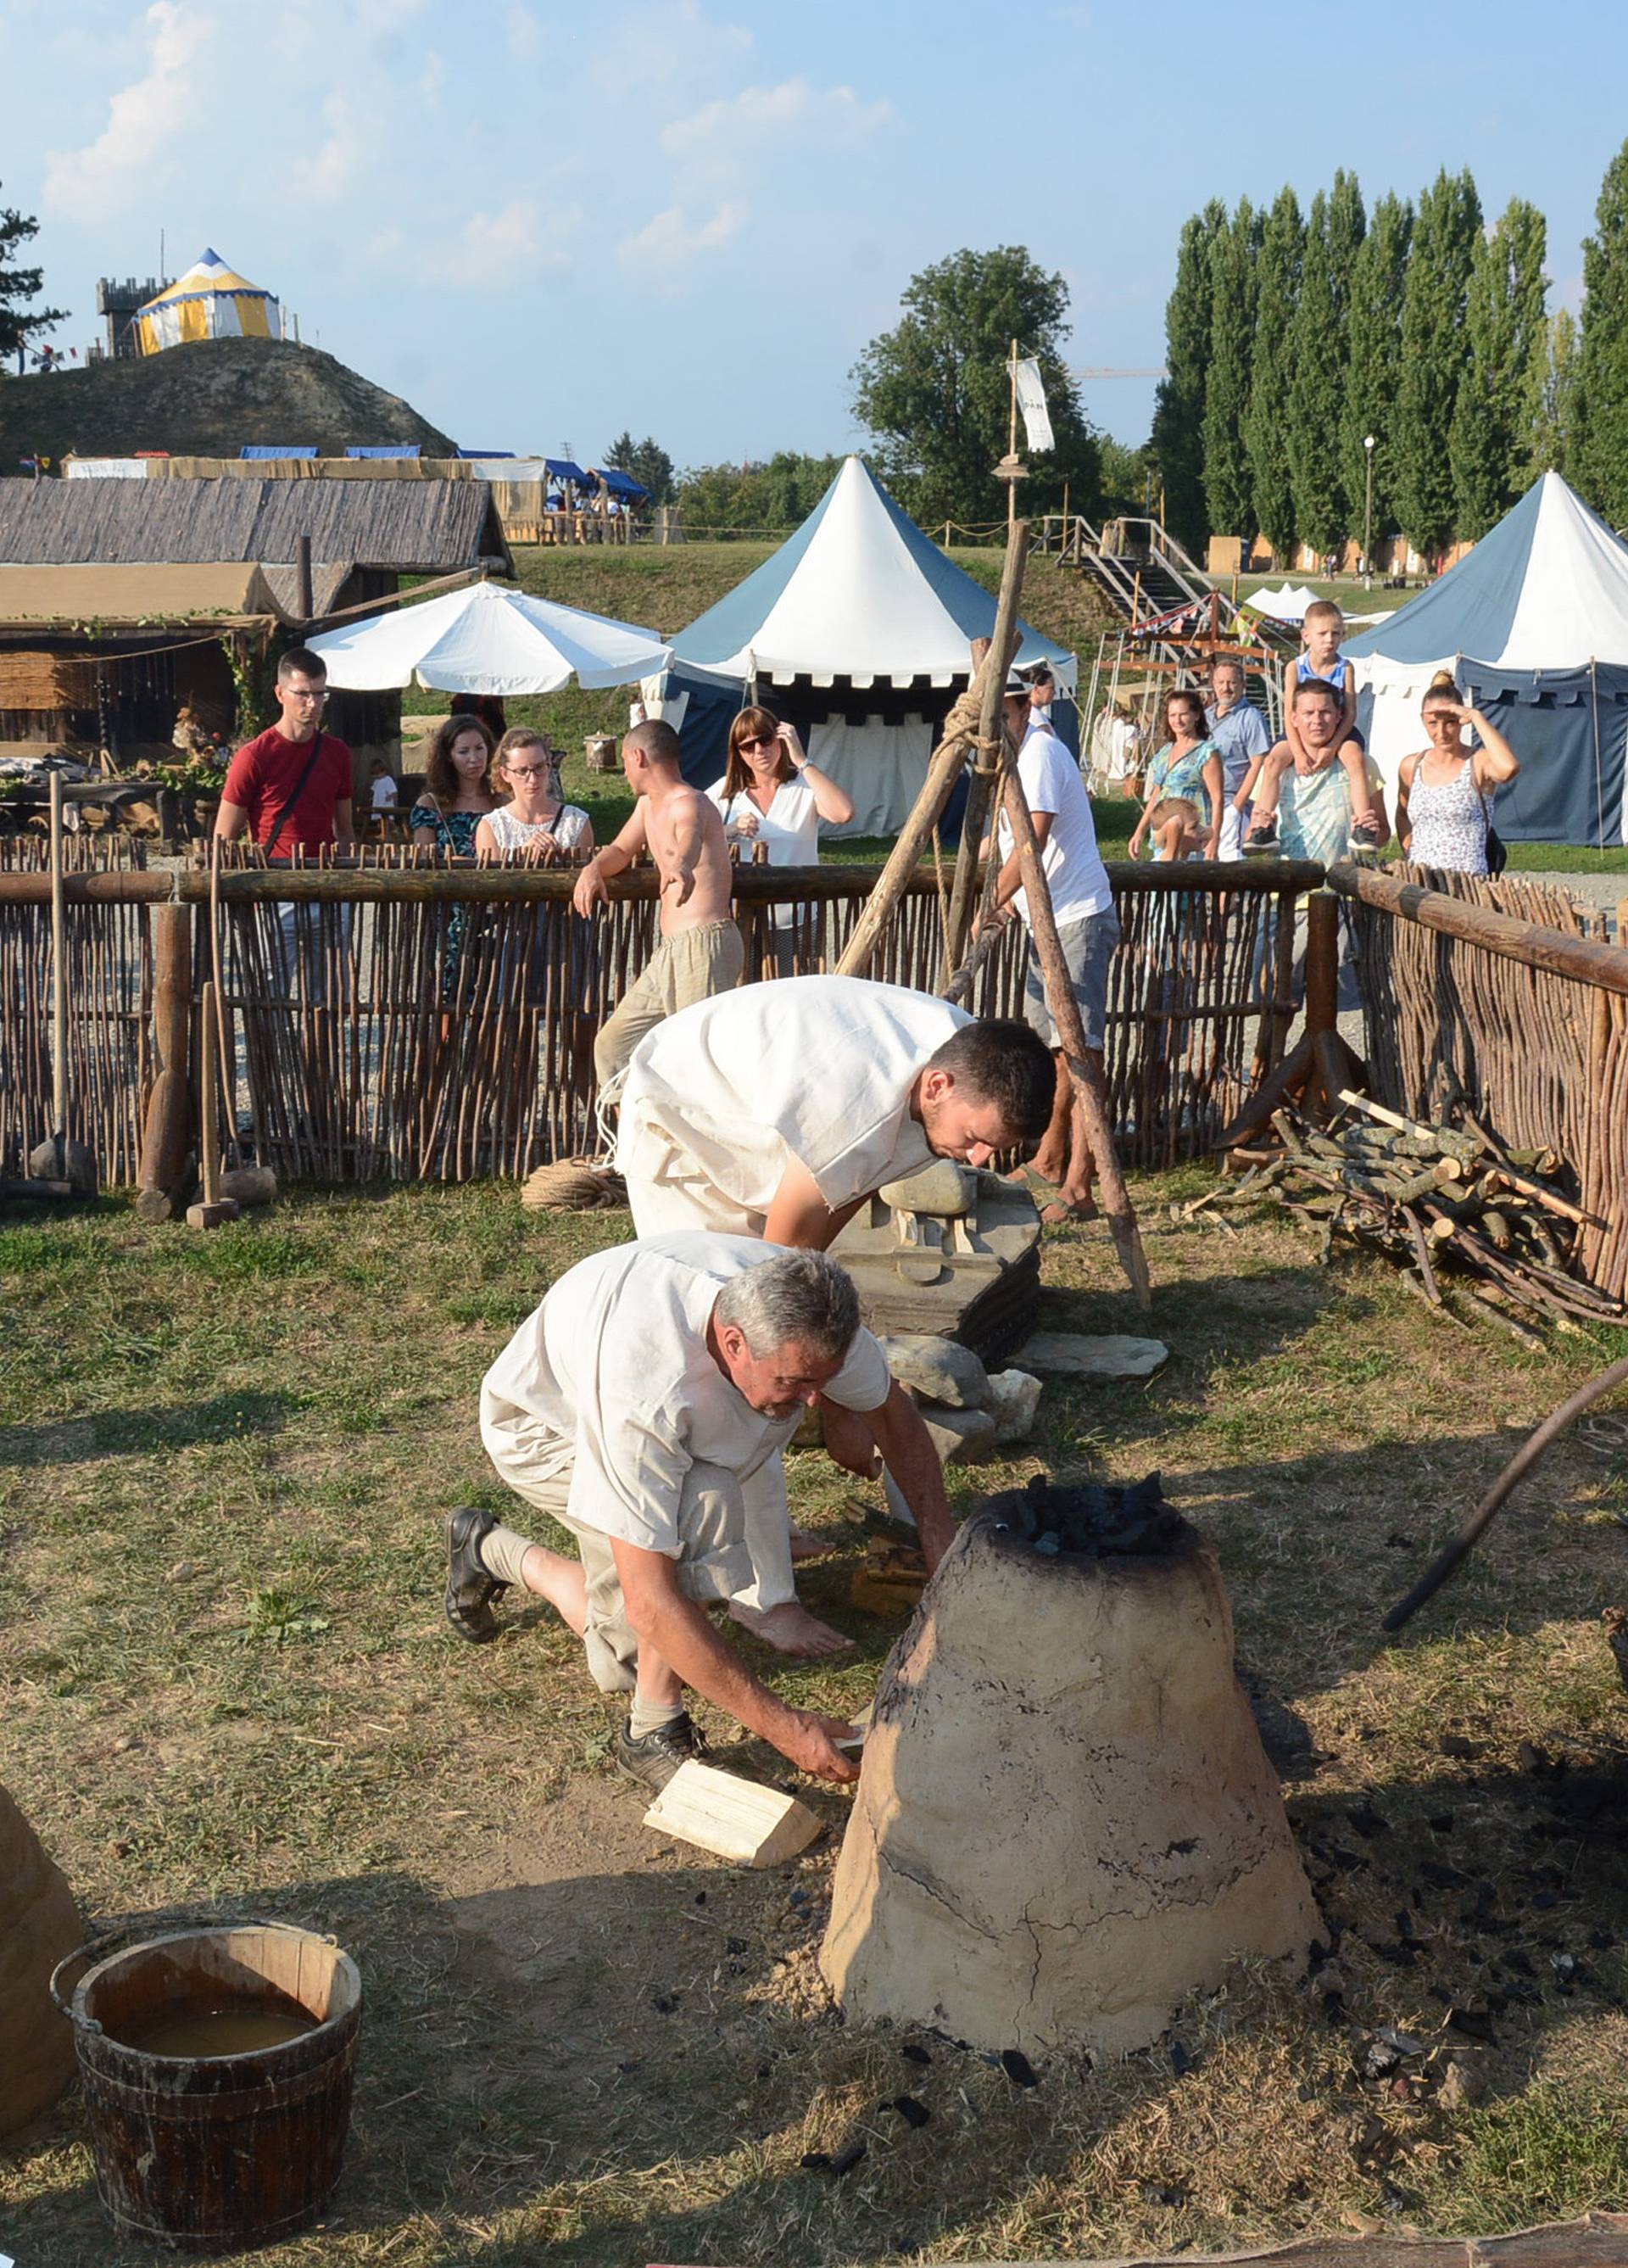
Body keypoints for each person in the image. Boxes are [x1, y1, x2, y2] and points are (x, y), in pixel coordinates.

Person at [612, 975, 1053, 1655]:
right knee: (742, 1371)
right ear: (936, 1088)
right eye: (975, 1139)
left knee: (791, 1356)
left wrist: (847, 1386)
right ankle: (762, 1599)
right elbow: (781, 1271)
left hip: (763, 1120)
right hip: (683, 1125)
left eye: (991, 1148)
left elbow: (843, 1193)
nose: (979, 1160)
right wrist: (841, 1405)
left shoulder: (971, 1060)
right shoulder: (857, 1107)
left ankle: (758, 1530)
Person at [445, 1238, 955, 1790]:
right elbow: (652, 1601)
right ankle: (650, 1733)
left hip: (661, 1411)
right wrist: (784, 1728)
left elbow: (891, 1413)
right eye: (794, 1384)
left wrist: (940, 1540)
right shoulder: (647, 1392)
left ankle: (487, 1547)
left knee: (677, 1572)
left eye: (822, 1382)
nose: (812, 1402)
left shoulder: (813, 1317)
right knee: (642, 1637)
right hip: (546, 1428)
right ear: (734, 1343)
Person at [981, 673, 1118, 1224]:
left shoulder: (1037, 752)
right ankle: (1051, 1155)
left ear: (1018, 707)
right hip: (1048, 917)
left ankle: (1082, 1184)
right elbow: (1014, 838)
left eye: (1000, 714)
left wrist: (993, 897)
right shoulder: (1015, 758)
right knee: (1061, 1051)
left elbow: (1035, 833)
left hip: (1077, 917)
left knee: (1082, 1054)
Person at [573, 718, 740, 1094]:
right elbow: (620, 849)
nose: (626, 772)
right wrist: (593, 869)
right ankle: (633, 1140)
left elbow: (689, 837)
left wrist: (681, 865)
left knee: (697, 1058)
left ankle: (706, 1149)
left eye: (627, 763)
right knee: (613, 1045)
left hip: (705, 944)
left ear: (638, 757)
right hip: (671, 951)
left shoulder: (691, 802)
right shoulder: (647, 805)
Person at [215, 646, 354, 992]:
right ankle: (271, 1049)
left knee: (330, 994)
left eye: (320, 694)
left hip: (327, 884)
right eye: (303, 694)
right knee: (271, 995)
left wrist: (349, 885)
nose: (313, 703)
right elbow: (224, 837)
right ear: (281, 693)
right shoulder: (254, 757)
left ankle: (322, 1048)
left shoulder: (337, 753)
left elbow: (346, 830)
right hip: (276, 888)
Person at [708, 707, 853, 972]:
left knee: (792, 995)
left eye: (765, 739)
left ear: (781, 738)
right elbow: (692, 834)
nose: (759, 751)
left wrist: (802, 760)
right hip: (741, 918)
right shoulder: (725, 792)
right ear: (739, 753)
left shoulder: (803, 785)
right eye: (748, 746)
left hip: (796, 918)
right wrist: (729, 829)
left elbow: (843, 812)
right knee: (744, 997)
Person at [1243, 601, 1382, 852]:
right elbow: (1288, 713)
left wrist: (1331, 747)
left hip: (1339, 728)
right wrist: (1297, 752)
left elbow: (1350, 712)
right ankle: (1262, 825)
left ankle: (1362, 826)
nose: (1330, 640)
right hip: (1298, 730)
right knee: (1274, 760)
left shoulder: (1345, 667)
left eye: (1336, 633)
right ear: (1306, 636)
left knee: (1354, 758)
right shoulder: (1295, 667)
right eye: (1322, 634)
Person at [1396, 673, 1519, 875]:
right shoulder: (1412, 766)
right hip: (1422, 887)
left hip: (1468, 886)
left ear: (1462, 720)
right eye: (1433, 723)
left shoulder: (1478, 762)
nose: (1442, 732)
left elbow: (1509, 767)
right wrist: (1408, 847)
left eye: (1450, 722)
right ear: (1423, 721)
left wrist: (1476, 717)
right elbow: (1402, 811)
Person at [1128, 688, 1223, 862]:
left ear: (1196, 716)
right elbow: (1156, 796)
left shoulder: (1206, 752)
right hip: (1164, 825)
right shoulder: (1164, 753)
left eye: (1183, 714)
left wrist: (1214, 839)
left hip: (1193, 829)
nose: (1177, 720)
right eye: (1172, 715)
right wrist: (1139, 832)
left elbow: (1217, 798)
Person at [475, 729, 594, 861]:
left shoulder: (576, 821)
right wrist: (522, 857)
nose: (533, 779)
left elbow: (585, 876)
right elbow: (490, 880)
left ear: (548, 767)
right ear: (505, 774)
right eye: (522, 771)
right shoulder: (492, 826)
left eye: (539, 768)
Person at [1204, 658, 1272, 861]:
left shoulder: (1251, 718)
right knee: (1199, 864)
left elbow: (1258, 764)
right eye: (1221, 683)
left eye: (1232, 683)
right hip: (1203, 802)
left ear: (1243, 686)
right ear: (1214, 685)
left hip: (1229, 802)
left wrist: (1237, 805)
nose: (1226, 688)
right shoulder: (1205, 717)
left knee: (1227, 863)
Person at [410, 715, 499, 857]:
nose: (474, 759)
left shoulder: (502, 802)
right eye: (463, 751)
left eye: (479, 748)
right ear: (448, 756)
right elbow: (422, 864)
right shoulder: (431, 805)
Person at [1146, 795, 1205, 863]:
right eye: (1194, 827)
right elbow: (1175, 822)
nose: (1201, 830)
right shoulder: (1166, 860)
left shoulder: (1196, 858)